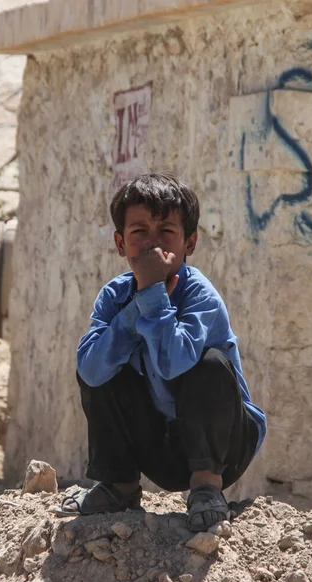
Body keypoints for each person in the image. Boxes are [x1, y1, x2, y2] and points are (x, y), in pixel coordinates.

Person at [58, 172, 266, 531]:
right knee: (101, 360)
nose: (153, 245)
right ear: (121, 244)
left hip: (224, 445)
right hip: (161, 445)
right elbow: (90, 371)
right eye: (140, 233)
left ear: (190, 242)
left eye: (166, 232)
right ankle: (118, 485)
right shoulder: (113, 295)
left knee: (210, 364)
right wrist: (134, 310)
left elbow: (174, 364)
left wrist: (152, 293)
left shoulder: (200, 295)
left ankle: (205, 487)